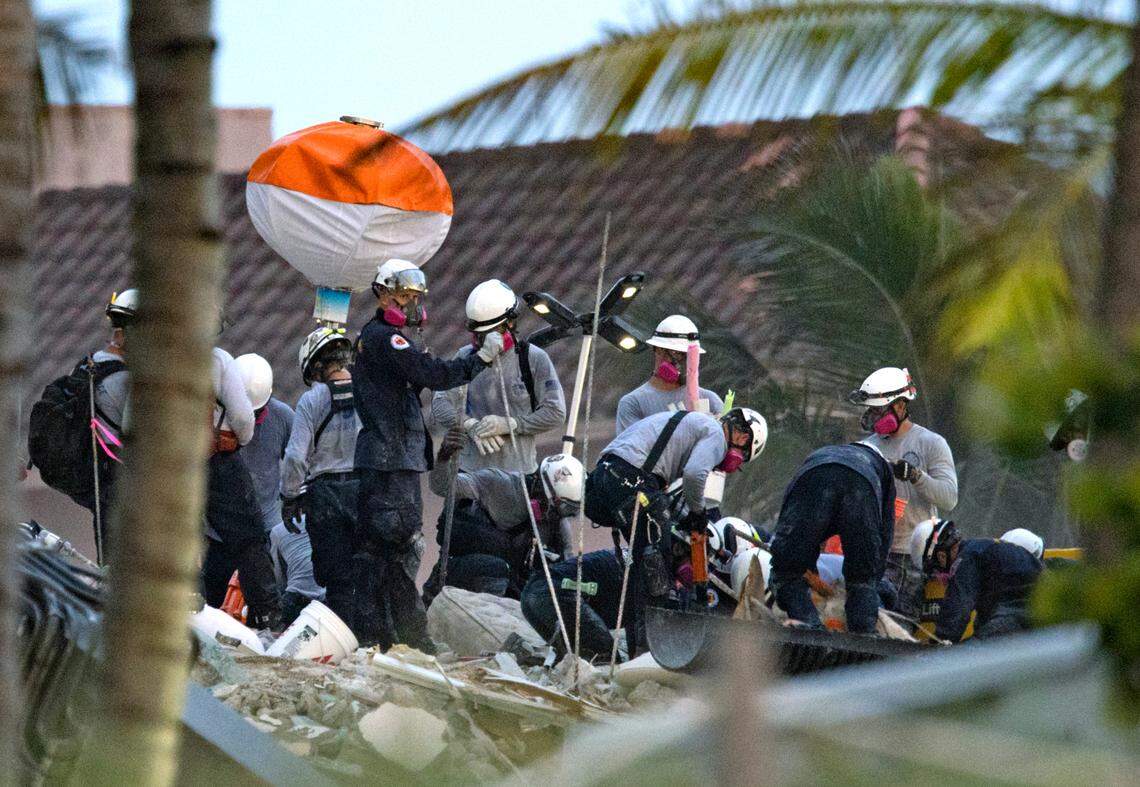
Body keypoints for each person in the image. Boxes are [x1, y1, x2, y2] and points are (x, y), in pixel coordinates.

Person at [352, 259, 508, 651]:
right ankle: (411, 640)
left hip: (388, 459)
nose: (412, 306)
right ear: (383, 294)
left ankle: (380, 637)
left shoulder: (379, 339)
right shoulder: (385, 338)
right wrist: (482, 359)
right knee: (398, 547)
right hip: (390, 461)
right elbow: (434, 374)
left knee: (384, 553)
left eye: (415, 298)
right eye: (405, 297)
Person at [585, 406, 767, 654]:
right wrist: (698, 514)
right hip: (632, 478)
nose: (734, 461)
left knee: (641, 570)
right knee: (657, 571)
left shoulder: (695, 426)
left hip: (605, 476)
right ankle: (651, 651)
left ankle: (636, 647)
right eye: (742, 453)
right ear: (743, 438)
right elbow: (694, 474)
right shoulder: (715, 434)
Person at [423, 426, 584, 604]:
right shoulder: (497, 484)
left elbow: (567, 571)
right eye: (562, 507)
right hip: (461, 573)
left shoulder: (558, 523)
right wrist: (444, 456)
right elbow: (443, 486)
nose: (564, 516)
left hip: (510, 587)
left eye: (571, 510)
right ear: (540, 490)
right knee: (496, 569)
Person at [849, 367, 957, 618]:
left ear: (899, 406)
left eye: (878, 411)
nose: (873, 418)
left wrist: (916, 476)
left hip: (911, 556)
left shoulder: (930, 443)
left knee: (899, 623)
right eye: (870, 411)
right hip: (875, 552)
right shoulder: (867, 447)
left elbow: (949, 498)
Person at [431, 279, 566, 473]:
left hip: (518, 474)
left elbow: (556, 412)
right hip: (470, 474)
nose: (485, 339)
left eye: (493, 331)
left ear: (510, 322)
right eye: (480, 333)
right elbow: (439, 405)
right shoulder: (465, 357)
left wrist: (511, 424)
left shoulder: (532, 358)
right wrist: (469, 425)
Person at [768, 442, 896, 634]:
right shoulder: (880, 471)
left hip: (815, 476)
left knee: (787, 573)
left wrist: (793, 563)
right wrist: (870, 580)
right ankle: (863, 642)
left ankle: (809, 629)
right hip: (861, 487)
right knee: (862, 582)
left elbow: (789, 522)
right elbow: (884, 536)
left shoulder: (820, 455)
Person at [280, 326, 361, 626]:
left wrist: (289, 496)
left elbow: (295, 457)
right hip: (368, 491)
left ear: (315, 367)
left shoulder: (312, 400)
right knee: (366, 571)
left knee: (336, 577)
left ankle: (343, 643)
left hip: (326, 497)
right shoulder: (370, 391)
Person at [201, 347, 280, 630]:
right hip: (215, 462)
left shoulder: (154, 357)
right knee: (250, 545)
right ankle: (268, 619)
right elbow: (244, 423)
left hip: (168, 463)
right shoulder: (218, 360)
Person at [910, 520, 1045, 642]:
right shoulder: (980, 550)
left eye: (935, 570)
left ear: (941, 556)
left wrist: (938, 644)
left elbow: (957, 611)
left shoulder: (966, 559)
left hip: (1024, 612)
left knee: (970, 656)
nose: (939, 577)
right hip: (1036, 611)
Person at [615, 315, 724, 434]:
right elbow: (632, 449)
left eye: (691, 356)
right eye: (677, 353)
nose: (685, 361)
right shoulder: (634, 403)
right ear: (659, 350)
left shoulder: (710, 400)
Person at [520, 549, 627, 661]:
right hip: (556, 592)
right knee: (604, 658)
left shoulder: (630, 558)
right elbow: (639, 631)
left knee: (572, 659)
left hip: (530, 594)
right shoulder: (639, 573)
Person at [233, 354, 293, 534]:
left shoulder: (282, 417)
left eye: (256, 412)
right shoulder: (213, 420)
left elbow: (301, 461)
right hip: (224, 525)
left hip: (269, 525)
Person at [269, 518, 325, 628]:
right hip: (328, 595)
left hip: (296, 596)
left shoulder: (277, 531)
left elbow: (277, 577)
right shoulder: (325, 519)